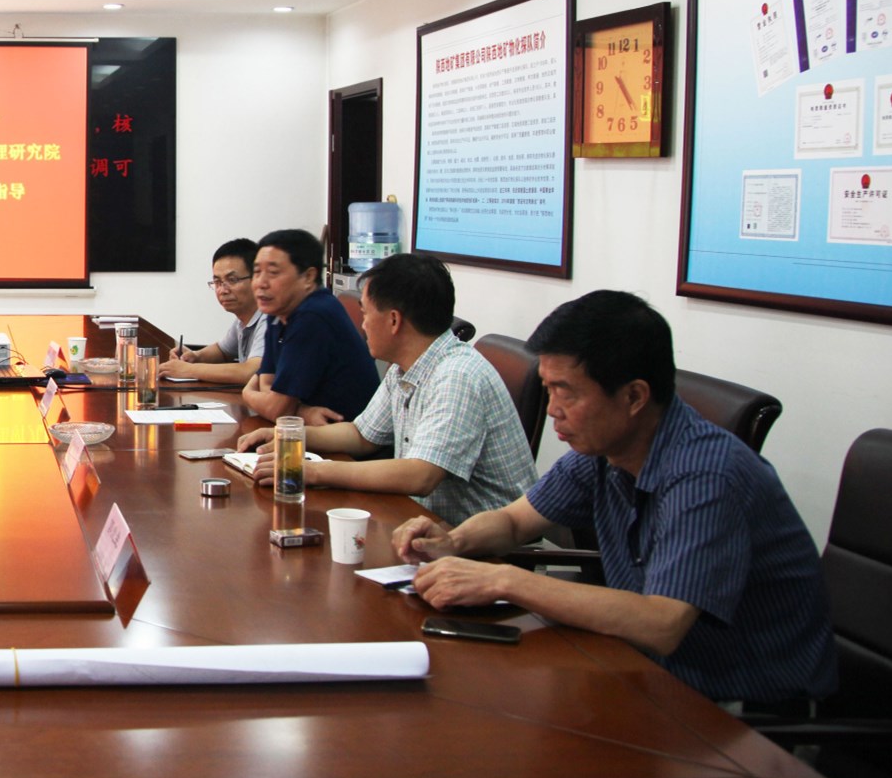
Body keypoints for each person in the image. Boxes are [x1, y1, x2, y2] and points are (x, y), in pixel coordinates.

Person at [392, 290, 836, 705]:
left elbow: (662, 624)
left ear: (634, 396)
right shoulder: (605, 452)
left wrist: (504, 581)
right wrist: (453, 541)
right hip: (640, 666)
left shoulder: (708, 476)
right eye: (547, 389)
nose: (552, 409)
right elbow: (514, 521)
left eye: (566, 392)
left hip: (738, 702)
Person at [238, 252, 533, 523]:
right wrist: (289, 436)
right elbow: (362, 435)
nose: (363, 325)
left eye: (366, 314)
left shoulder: (457, 375)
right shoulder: (405, 366)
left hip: (483, 544)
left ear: (393, 320)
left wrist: (312, 471)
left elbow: (421, 475)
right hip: (423, 521)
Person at [237, 228, 379, 425]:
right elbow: (266, 384)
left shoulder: (313, 316)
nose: (261, 283)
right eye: (257, 272)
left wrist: (247, 393)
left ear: (308, 277)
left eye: (273, 273)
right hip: (309, 430)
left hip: (345, 437)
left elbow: (275, 408)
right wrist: (301, 411)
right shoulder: (278, 311)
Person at [159, 237, 273, 386]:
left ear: (256, 278)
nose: (222, 290)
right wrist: (195, 356)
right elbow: (222, 351)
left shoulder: (269, 318)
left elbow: (251, 372)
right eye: (217, 282)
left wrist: (188, 370)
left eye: (232, 280)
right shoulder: (242, 320)